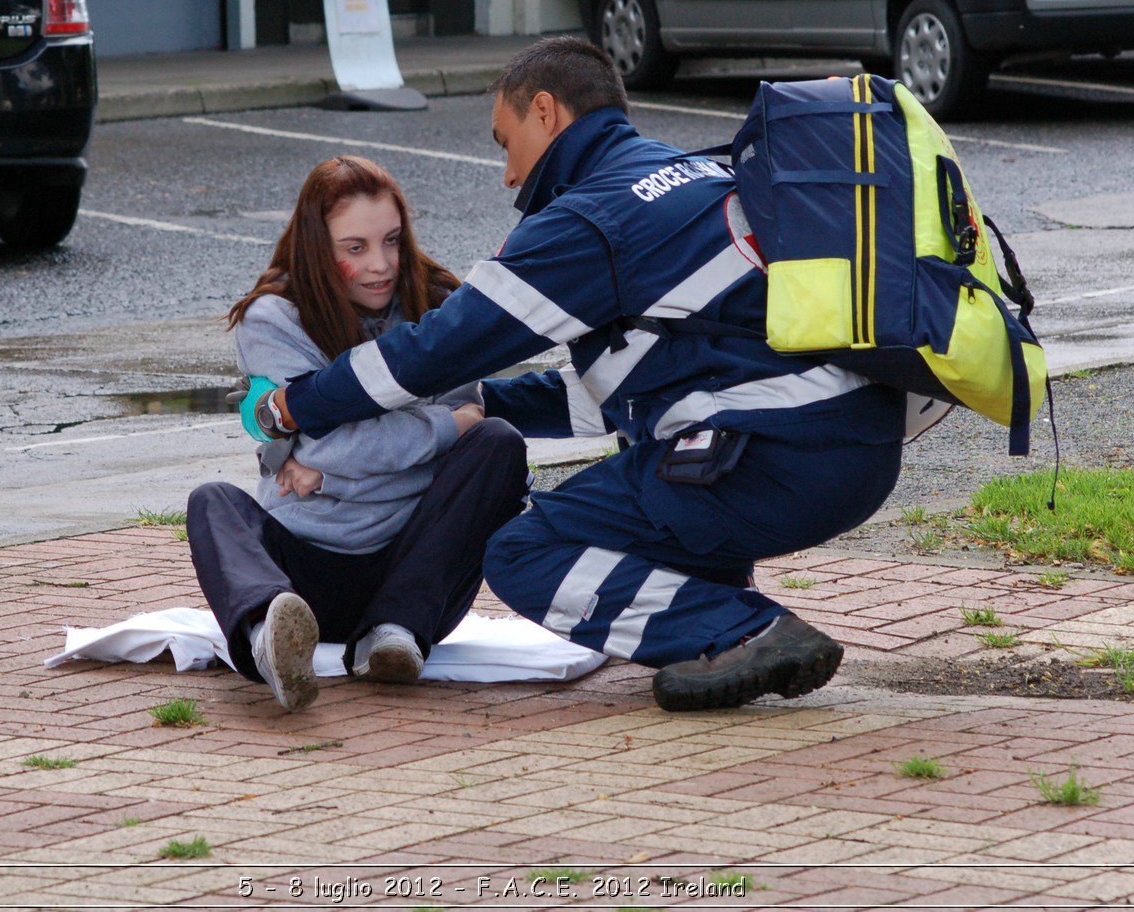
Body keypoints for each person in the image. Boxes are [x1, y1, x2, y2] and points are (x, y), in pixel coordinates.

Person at [243, 36, 905, 712]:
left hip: (772, 458)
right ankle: (715, 638)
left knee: (526, 550)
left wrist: (299, 407)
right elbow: (617, 393)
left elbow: (436, 350)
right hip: (854, 443)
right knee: (651, 479)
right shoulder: (688, 174)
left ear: (545, 112)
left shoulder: (589, 218)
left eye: (505, 143)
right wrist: (476, 408)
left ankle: (749, 630)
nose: (507, 175)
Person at [189, 156, 529, 713]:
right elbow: (331, 443)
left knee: (497, 442)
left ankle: (392, 636)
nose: (382, 265)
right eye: (356, 248)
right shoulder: (274, 316)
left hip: (416, 571)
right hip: (303, 570)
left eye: (393, 241)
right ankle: (270, 637)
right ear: (317, 249)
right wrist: (438, 432)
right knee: (211, 502)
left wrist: (325, 474)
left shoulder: (441, 300)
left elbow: (330, 451)